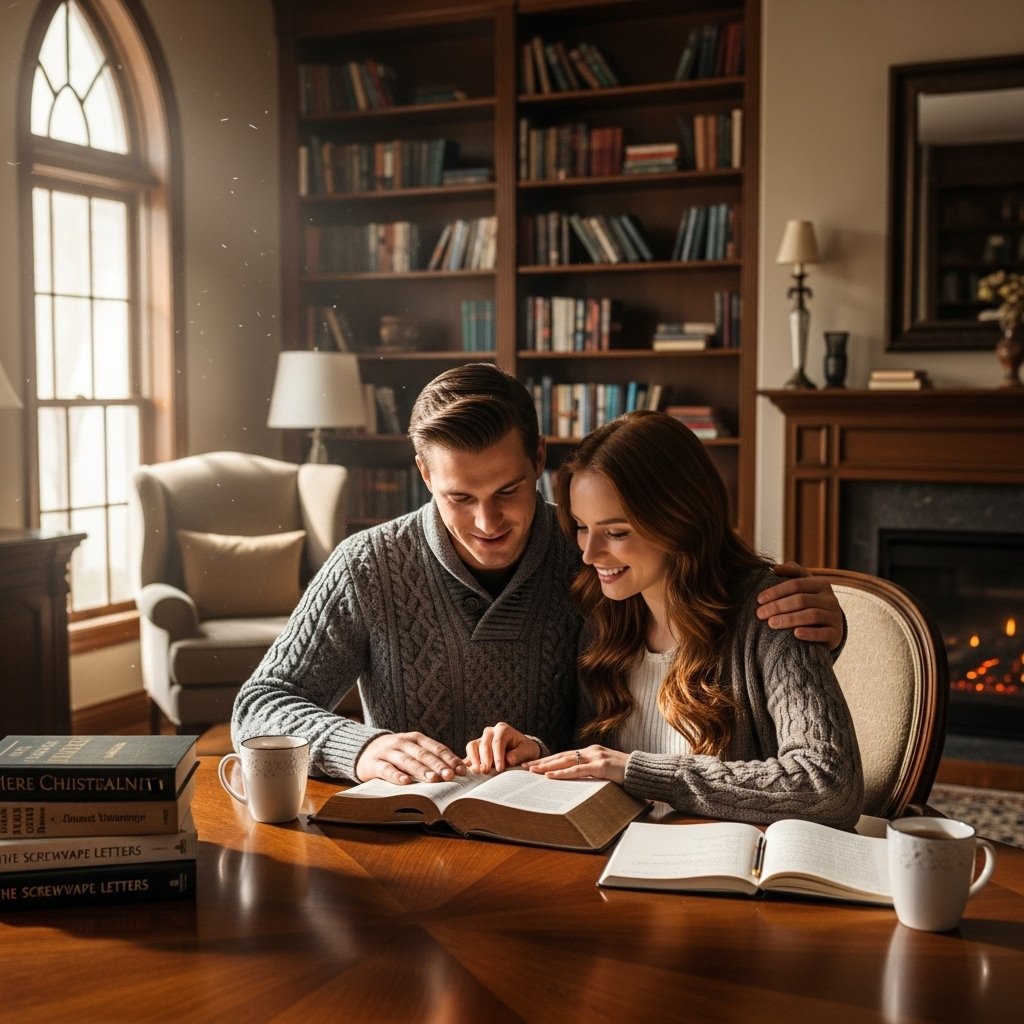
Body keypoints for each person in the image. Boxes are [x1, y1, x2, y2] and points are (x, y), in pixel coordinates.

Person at [232, 363, 846, 788]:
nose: (487, 521)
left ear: (540, 459)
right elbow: (258, 706)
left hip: (565, 839)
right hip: (413, 841)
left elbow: (701, 606)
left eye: (509, 490)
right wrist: (361, 747)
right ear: (423, 474)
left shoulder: (588, 552)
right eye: (459, 498)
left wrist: (817, 628)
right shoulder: (367, 566)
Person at [465, 410, 863, 829]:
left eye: (617, 533)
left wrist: (640, 772)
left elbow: (828, 786)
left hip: (729, 873)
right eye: (582, 527)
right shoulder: (606, 618)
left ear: (679, 520)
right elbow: (602, 762)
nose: (589, 554)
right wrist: (542, 757)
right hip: (619, 864)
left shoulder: (772, 613)